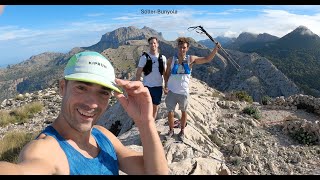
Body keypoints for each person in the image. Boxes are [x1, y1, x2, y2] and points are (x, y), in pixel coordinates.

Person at [0, 51, 169, 175]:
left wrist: (145, 122)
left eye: (103, 92)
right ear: (62, 88)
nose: (92, 103)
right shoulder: (46, 150)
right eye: (81, 88)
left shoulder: (103, 136)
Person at [164, 37, 221, 142]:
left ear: (188, 48)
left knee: (184, 112)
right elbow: (166, 73)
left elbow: (207, 59)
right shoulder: (171, 60)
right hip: (172, 91)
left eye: (184, 47)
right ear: (178, 47)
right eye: (180, 47)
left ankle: (182, 131)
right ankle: (171, 130)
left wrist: (215, 50)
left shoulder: (191, 59)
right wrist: (166, 86)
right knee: (170, 112)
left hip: (183, 92)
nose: (182, 49)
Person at [136, 37, 167, 119]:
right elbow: (138, 72)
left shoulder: (162, 58)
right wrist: (138, 86)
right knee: (146, 107)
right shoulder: (144, 57)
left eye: (154, 43)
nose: (153, 45)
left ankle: (152, 124)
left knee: (155, 106)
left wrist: (166, 86)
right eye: (151, 43)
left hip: (158, 86)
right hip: (147, 86)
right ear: (148, 45)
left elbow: (164, 73)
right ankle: (146, 123)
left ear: (157, 44)